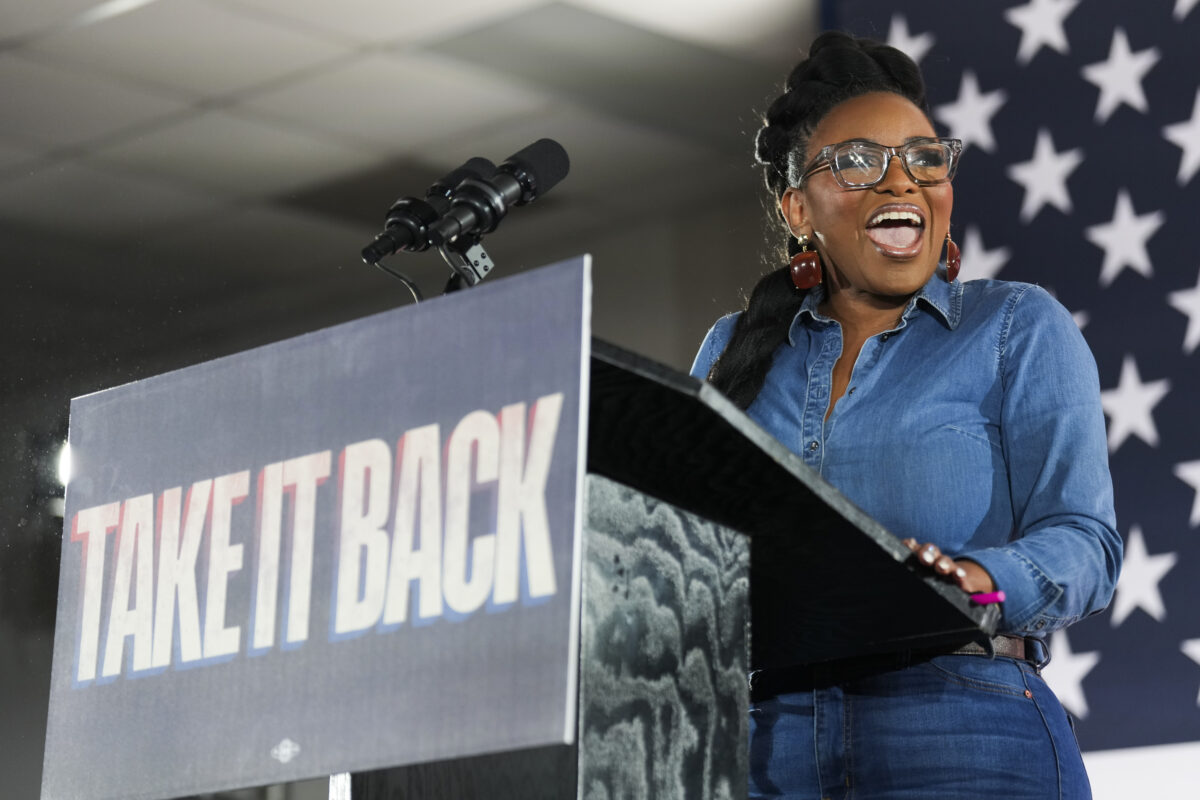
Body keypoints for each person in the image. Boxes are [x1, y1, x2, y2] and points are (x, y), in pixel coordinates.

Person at [689, 32, 1122, 799]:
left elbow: (1085, 543)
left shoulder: (1015, 326)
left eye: (925, 158)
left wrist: (977, 581)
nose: (901, 181)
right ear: (798, 207)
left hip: (965, 726)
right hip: (760, 740)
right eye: (858, 161)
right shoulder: (730, 350)